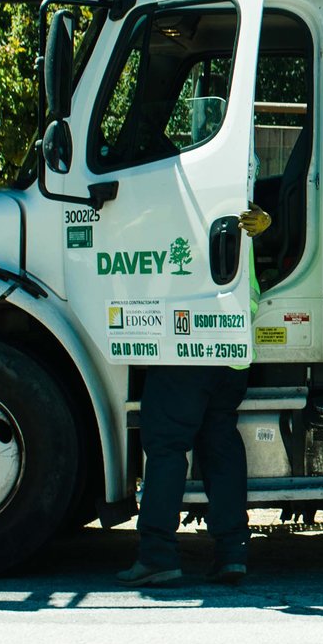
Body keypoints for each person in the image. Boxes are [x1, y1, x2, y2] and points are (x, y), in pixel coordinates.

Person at [119, 206, 268, 586]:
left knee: (167, 445)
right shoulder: (240, 210)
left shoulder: (184, 204)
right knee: (219, 445)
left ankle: (157, 555)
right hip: (232, 347)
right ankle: (232, 553)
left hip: (188, 344)